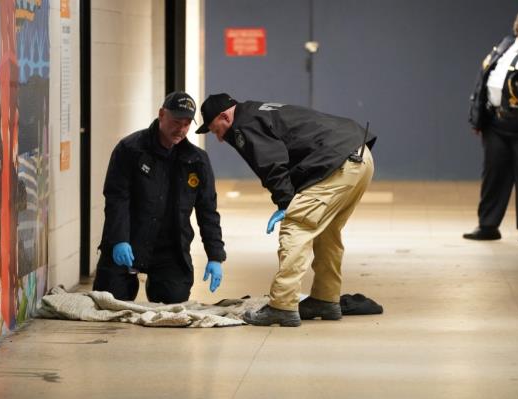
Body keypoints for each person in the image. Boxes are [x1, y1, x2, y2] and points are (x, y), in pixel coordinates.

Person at [196, 94, 376, 327]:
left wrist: (284, 203)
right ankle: (325, 299)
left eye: (215, 130)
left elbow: (271, 163)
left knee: (296, 225)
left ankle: (282, 305)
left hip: (338, 161)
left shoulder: (243, 125)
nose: (218, 138)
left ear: (225, 116)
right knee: (327, 231)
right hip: (358, 157)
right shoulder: (257, 111)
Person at [93, 92, 226, 304]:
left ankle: (161, 282)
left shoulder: (197, 161)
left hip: (169, 249)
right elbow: (117, 198)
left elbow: (207, 210)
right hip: (129, 240)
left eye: (186, 124)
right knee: (108, 300)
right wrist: (119, 239)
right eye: (176, 122)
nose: (181, 130)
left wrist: (215, 255)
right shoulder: (130, 149)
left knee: (173, 298)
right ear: (162, 114)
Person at [464, 7, 518, 243]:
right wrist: (478, 118)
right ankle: (488, 225)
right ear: (517, 26)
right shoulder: (505, 45)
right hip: (495, 122)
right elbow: (483, 79)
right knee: (493, 175)